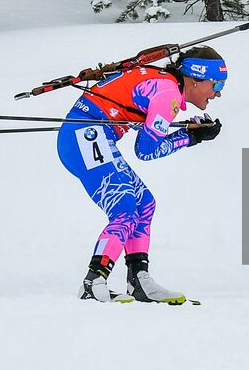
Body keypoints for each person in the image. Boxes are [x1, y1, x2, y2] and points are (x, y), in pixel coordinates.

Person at [56, 45, 227, 303]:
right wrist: (190, 137)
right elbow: (146, 150)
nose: (218, 93)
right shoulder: (167, 95)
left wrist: (189, 133)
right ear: (195, 79)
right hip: (85, 136)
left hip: (86, 134)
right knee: (124, 207)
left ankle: (139, 281)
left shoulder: (164, 83)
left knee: (144, 203)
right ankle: (93, 281)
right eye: (217, 85)